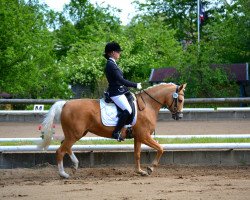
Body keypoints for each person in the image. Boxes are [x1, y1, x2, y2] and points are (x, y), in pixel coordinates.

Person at [103, 41, 142, 142]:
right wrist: (135, 85)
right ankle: (116, 132)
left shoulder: (113, 63)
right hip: (115, 93)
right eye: (117, 51)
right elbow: (121, 80)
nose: (119, 53)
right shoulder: (111, 65)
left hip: (120, 91)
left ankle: (128, 127)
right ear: (111, 53)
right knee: (127, 110)